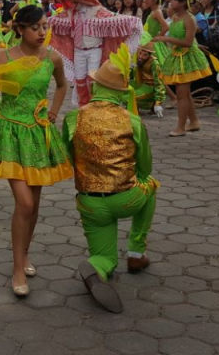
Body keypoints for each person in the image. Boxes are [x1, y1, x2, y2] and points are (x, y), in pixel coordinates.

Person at [0, 5, 72, 296]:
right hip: (9, 132)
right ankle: (16, 268)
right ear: (20, 29)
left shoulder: (52, 57)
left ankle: (24, 254)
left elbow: (62, 86)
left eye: (45, 26)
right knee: (24, 203)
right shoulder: (3, 56)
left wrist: (54, 111)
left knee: (33, 205)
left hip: (38, 134)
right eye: (36, 27)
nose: (42, 32)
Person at [67, 49, 158, 313]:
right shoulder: (132, 121)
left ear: (95, 85)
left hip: (89, 203)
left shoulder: (74, 117)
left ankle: (97, 267)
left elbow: (67, 155)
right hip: (127, 198)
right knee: (151, 184)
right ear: (121, 92)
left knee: (104, 257)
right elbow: (146, 167)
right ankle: (136, 253)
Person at [153, 0, 212, 137]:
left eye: (173, 1)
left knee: (181, 94)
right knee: (184, 93)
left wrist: (166, 39)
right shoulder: (175, 17)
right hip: (177, 56)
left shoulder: (189, 18)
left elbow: (187, 42)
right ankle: (194, 122)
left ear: (182, 3)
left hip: (187, 58)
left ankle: (181, 127)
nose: (171, 3)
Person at [133, 33, 166, 116]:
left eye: (145, 55)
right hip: (141, 84)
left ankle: (151, 104)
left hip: (150, 87)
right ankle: (135, 108)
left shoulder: (154, 64)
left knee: (129, 98)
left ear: (149, 55)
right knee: (124, 90)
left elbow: (159, 83)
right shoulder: (138, 60)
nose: (141, 56)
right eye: (140, 53)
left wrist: (158, 103)